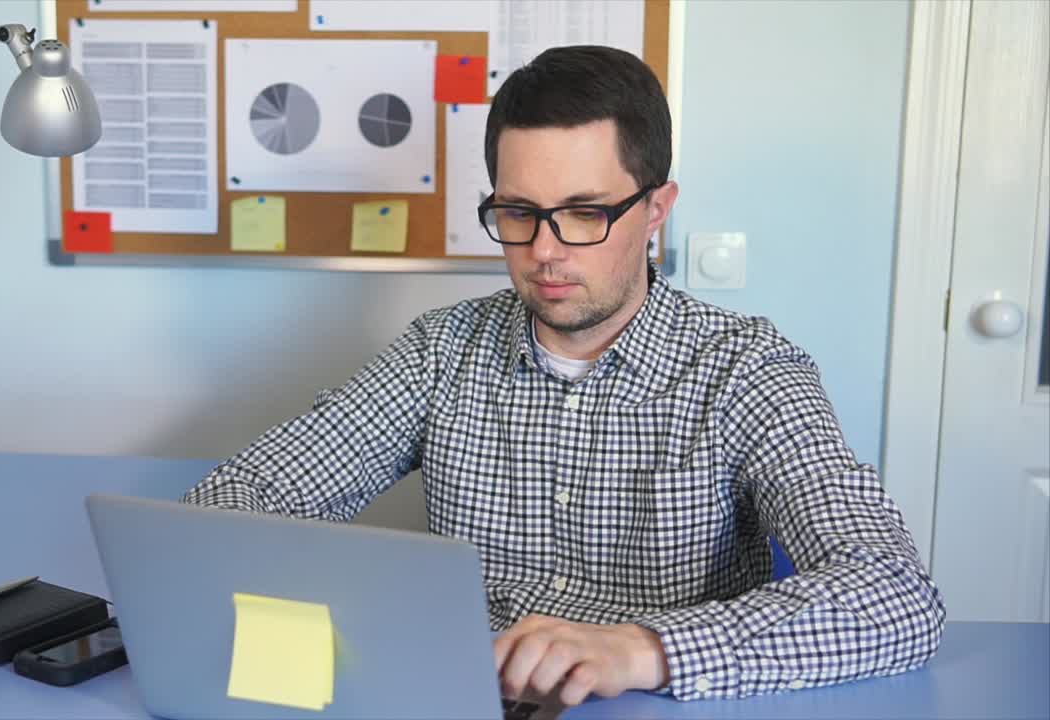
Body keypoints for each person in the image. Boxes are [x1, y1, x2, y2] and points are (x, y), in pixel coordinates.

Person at [184, 45, 944, 707]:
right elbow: (232, 500)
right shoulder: (439, 352)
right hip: (464, 695)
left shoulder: (747, 371)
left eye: (584, 213)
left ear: (656, 211)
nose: (545, 250)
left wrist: (639, 650)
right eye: (518, 211)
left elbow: (895, 595)